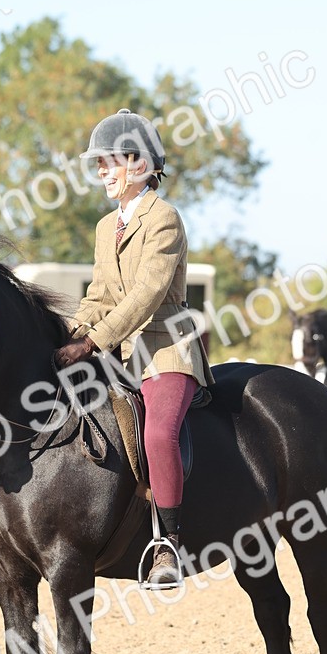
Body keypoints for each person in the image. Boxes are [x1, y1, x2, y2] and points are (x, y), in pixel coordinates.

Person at [54, 108, 214, 588]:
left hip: (166, 350)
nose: (101, 172)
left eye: (108, 162)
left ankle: (168, 544)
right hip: (120, 351)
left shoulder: (164, 219)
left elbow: (147, 293)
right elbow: (101, 294)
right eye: (98, 164)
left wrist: (94, 341)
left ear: (138, 164)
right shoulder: (107, 228)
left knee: (159, 434)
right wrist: (70, 333)